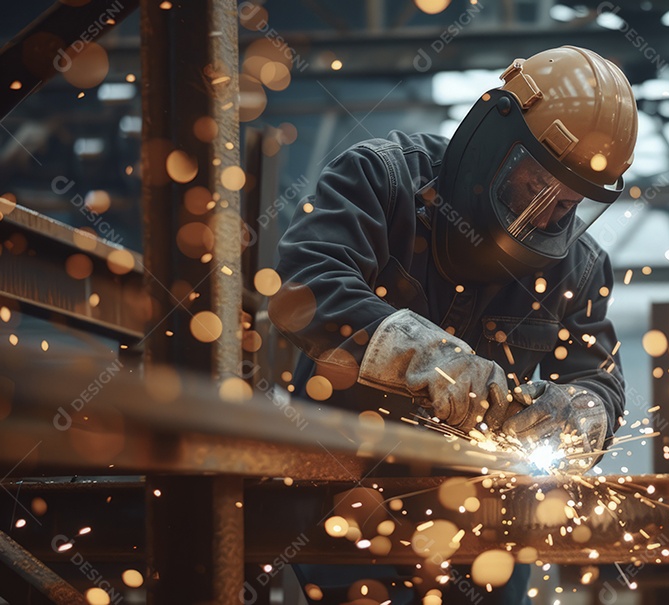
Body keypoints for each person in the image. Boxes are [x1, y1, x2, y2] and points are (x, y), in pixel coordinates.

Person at [268, 45, 637, 603]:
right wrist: (426, 356)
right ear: (495, 143)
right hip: (345, 494)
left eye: (568, 203)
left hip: (486, 518)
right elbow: (306, 283)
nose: (549, 213)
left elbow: (600, 382)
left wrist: (576, 411)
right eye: (537, 186)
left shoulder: (577, 267)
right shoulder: (381, 179)